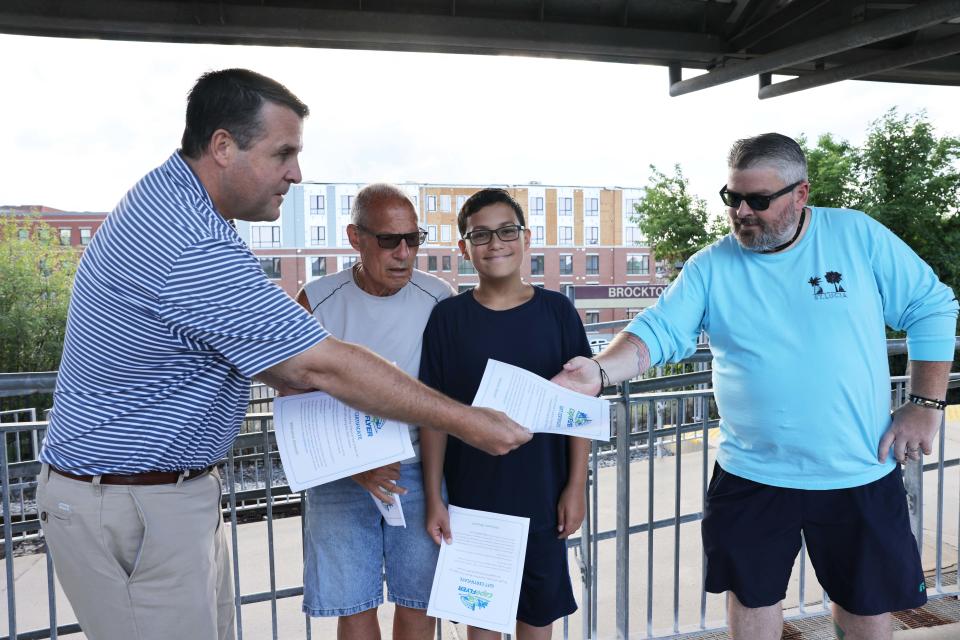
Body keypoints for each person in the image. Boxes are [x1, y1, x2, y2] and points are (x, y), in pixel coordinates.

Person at [35, 69, 530, 640]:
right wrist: (469, 421)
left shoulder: (184, 210)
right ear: (223, 146)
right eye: (284, 153)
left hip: (156, 498)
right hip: (133, 505)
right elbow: (316, 363)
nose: (296, 172)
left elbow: (274, 361)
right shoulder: (188, 239)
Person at [552, 133, 958, 640]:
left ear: (801, 194)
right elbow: (658, 331)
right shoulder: (710, 265)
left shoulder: (857, 236)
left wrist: (924, 404)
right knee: (752, 602)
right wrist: (599, 371)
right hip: (752, 474)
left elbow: (932, 306)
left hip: (857, 469)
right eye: (733, 198)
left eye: (759, 200)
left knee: (865, 608)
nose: (743, 211)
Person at [419, 188, 591, 640]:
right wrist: (436, 497)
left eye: (506, 231)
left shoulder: (557, 312)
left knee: (537, 620)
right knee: (483, 623)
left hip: (542, 495)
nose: (495, 243)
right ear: (463, 248)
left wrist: (576, 486)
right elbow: (434, 415)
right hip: (473, 500)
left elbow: (580, 408)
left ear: (525, 237)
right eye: (481, 234)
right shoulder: (448, 318)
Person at [295, 183, 454, 639]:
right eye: (389, 240)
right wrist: (354, 467)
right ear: (355, 238)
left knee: (419, 603)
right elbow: (294, 397)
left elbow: (447, 390)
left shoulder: (438, 297)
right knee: (355, 608)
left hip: (418, 472)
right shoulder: (317, 298)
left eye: (414, 239)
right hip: (340, 477)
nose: (404, 253)